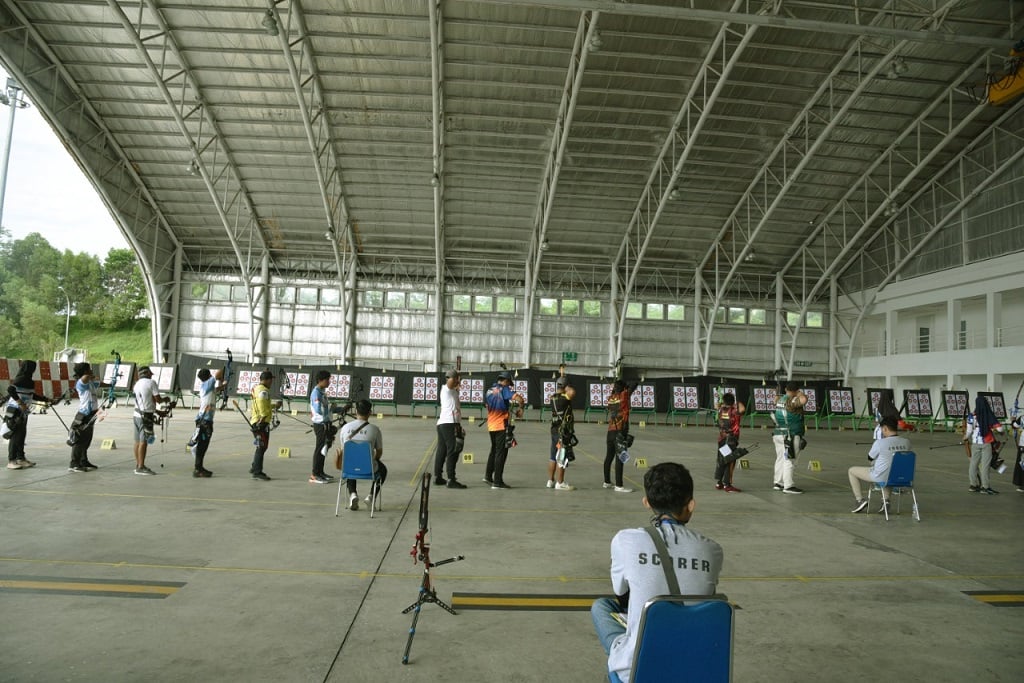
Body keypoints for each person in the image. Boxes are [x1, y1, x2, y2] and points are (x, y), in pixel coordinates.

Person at [590, 462, 724, 683]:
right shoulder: (712, 550)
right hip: (696, 663)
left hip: (638, 668)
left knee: (602, 607)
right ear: (690, 505)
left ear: (647, 503)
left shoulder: (626, 539)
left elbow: (621, 594)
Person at [849, 415, 911, 512]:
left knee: (852, 471)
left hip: (881, 476)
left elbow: (870, 458)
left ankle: (860, 500)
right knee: (890, 469)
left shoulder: (880, 443)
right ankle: (886, 501)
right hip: (900, 476)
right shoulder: (906, 442)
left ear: (885, 428)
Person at [4, 360, 53, 470]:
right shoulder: (21, 379)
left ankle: (20, 458)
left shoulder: (29, 381)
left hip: (23, 412)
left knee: (21, 435)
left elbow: (31, 395)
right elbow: (10, 390)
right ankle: (11, 461)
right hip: (15, 411)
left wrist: (46, 399)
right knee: (15, 436)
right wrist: (20, 403)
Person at [339, 399, 385, 511]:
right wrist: (374, 460)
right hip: (368, 467)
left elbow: (344, 450)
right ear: (370, 412)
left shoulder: (345, 428)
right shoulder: (375, 429)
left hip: (349, 467)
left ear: (356, 411)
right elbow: (379, 451)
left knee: (351, 462)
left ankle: (353, 494)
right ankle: (370, 496)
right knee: (383, 470)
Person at [484, 371, 524, 489]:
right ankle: (497, 482)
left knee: (494, 451)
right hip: (501, 425)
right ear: (505, 381)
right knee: (501, 453)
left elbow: (488, 405)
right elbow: (520, 399)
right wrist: (521, 409)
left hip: (491, 425)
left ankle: (487, 476)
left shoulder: (489, 390)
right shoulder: (504, 389)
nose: (509, 386)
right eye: (508, 383)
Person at [964, 395, 1005, 495]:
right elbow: (1000, 429)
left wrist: (965, 437)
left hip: (975, 443)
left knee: (973, 464)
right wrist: (999, 430)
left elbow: (969, 431)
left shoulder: (971, 415)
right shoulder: (988, 415)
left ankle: (973, 485)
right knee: (985, 465)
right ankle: (985, 487)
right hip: (986, 443)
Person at [131, 366, 168, 475]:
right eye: (150, 373)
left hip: (136, 414)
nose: (151, 375)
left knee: (137, 441)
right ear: (146, 374)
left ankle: (138, 464)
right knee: (144, 442)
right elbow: (158, 400)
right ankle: (141, 467)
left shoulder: (137, 384)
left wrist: (158, 412)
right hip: (146, 416)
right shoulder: (151, 383)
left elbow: (146, 402)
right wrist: (166, 399)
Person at [772, 381, 807, 494]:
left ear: (786, 389)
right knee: (790, 460)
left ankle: (778, 482)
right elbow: (803, 400)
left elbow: (775, 399)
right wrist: (800, 394)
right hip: (790, 435)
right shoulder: (793, 401)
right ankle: (788, 486)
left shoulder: (780, 400)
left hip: (778, 433)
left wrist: (778, 392)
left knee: (781, 458)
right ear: (796, 391)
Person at [434, 369, 466, 489]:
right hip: (449, 424)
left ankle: (438, 477)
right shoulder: (446, 389)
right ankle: (451, 479)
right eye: (456, 379)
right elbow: (451, 381)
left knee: (442, 450)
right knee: (453, 450)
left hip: (445, 423)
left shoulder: (452, 391)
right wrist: (456, 376)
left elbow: (455, 385)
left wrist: (458, 379)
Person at [67, 362, 100, 473]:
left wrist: (114, 383)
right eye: (89, 369)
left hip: (92, 414)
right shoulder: (81, 382)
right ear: (85, 371)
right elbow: (85, 377)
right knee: (79, 439)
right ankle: (74, 464)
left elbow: (100, 383)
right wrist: (90, 375)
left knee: (86, 439)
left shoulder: (90, 382)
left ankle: (83, 460)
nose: (91, 370)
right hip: (84, 414)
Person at [604, 379, 634, 493]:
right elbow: (634, 384)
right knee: (620, 458)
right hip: (620, 432)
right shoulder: (624, 397)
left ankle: (607, 482)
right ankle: (619, 485)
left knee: (609, 457)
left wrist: (616, 387)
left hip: (610, 431)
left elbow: (615, 393)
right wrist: (625, 387)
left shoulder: (610, 399)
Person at [249, 370, 280, 481]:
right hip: (260, 423)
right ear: (267, 380)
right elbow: (262, 404)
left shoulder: (257, 389)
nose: (271, 382)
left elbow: (263, 403)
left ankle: (254, 467)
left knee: (262, 445)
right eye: (271, 380)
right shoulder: (263, 391)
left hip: (257, 421)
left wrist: (274, 406)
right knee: (261, 446)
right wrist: (263, 417)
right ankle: (257, 472)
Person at [547, 375, 576, 490]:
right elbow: (572, 392)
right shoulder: (566, 397)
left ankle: (550, 481)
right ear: (565, 386)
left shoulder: (552, 397)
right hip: (563, 432)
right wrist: (567, 386)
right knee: (562, 456)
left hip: (554, 430)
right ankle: (560, 482)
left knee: (553, 456)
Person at [308, 370, 336, 484]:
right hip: (320, 425)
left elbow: (325, 409)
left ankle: (320, 472)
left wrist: (336, 408)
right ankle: (314, 474)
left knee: (324, 449)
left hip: (325, 423)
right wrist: (328, 410)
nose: (329, 382)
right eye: (327, 380)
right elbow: (318, 410)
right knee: (320, 449)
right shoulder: (316, 393)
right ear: (321, 380)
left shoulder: (322, 392)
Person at [714, 392, 745, 492]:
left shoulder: (720, 410)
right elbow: (743, 409)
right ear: (733, 402)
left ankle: (719, 483)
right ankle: (727, 484)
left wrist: (722, 404)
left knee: (722, 459)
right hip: (730, 440)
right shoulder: (734, 411)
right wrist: (738, 401)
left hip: (722, 439)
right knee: (730, 460)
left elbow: (717, 406)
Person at [188, 368, 216, 477]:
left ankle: (199, 467)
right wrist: (225, 366)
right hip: (204, 420)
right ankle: (198, 469)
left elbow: (214, 390)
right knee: (202, 445)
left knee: (204, 444)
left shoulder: (207, 386)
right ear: (209, 375)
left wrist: (223, 385)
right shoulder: (208, 383)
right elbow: (218, 374)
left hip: (204, 419)